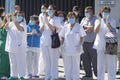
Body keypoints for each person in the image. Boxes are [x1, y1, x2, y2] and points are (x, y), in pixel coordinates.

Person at [59, 12, 86, 80]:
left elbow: (83, 37)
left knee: (76, 65)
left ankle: (75, 78)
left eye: (72, 17)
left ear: (75, 18)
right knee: (67, 65)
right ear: (67, 18)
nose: (71, 19)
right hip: (66, 49)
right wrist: (61, 45)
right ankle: (68, 78)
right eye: (70, 17)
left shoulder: (79, 26)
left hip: (76, 49)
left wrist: (80, 45)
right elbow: (62, 37)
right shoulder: (65, 27)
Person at [93, 6, 117, 80]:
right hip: (100, 44)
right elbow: (95, 31)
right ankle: (100, 78)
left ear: (109, 13)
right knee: (100, 64)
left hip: (110, 44)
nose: (105, 13)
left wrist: (108, 24)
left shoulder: (113, 20)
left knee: (111, 64)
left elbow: (113, 32)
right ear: (101, 12)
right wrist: (100, 22)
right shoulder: (97, 21)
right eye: (104, 12)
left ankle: (111, 78)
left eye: (107, 12)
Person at [40, 5, 61, 80]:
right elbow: (41, 30)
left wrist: (48, 23)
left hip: (52, 42)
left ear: (54, 10)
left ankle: (54, 76)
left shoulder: (57, 19)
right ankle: (47, 76)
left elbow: (54, 29)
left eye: (51, 9)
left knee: (53, 60)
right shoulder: (46, 18)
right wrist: (43, 22)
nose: (49, 11)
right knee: (46, 60)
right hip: (44, 41)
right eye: (48, 9)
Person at [5, 11, 27, 80]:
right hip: (11, 46)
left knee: (20, 62)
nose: (19, 17)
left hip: (20, 47)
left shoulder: (23, 24)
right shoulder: (11, 23)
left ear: (23, 17)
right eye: (17, 15)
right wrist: (8, 21)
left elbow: (19, 28)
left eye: (20, 16)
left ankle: (21, 76)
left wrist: (14, 21)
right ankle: (13, 75)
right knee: (12, 62)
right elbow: (6, 28)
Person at [80, 6, 97, 79]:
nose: (86, 13)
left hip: (92, 43)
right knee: (85, 60)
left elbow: (92, 28)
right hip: (84, 43)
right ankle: (88, 74)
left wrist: (85, 27)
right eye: (85, 12)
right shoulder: (84, 19)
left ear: (92, 12)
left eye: (88, 11)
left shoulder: (95, 19)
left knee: (95, 60)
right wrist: (88, 27)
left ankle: (97, 74)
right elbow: (80, 28)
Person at [0, 13, 10, 79]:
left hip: (2, 44)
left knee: (4, 60)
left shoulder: (1, 26)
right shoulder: (6, 26)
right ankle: (3, 75)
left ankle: (4, 74)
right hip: (5, 45)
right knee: (5, 61)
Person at [38, 4, 47, 76]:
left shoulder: (50, 16)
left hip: (49, 37)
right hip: (43, 36)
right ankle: (40, 70)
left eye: (44, 8)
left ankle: (46, 70)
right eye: (42, 8)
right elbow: (41, 27)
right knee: (42, 55)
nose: (42, 9)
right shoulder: (41, 15)